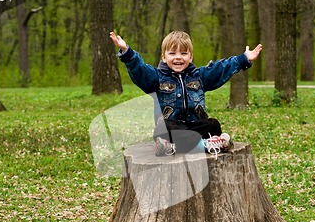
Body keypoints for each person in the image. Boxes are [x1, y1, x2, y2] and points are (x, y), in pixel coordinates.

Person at [110, 30, 262, 156]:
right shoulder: (157, 78)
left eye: (183, 53)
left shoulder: (199, 76)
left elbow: (220, 69)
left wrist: (243, 59)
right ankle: (204, 145)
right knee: (165, 127)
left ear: (190, 57)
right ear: (164, 57)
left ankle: (175, 147)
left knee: (213, 124)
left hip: (194, 126)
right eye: (172, 53)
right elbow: (140, 70)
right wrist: (127, 52)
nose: (178, 57)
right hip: (173, 128)